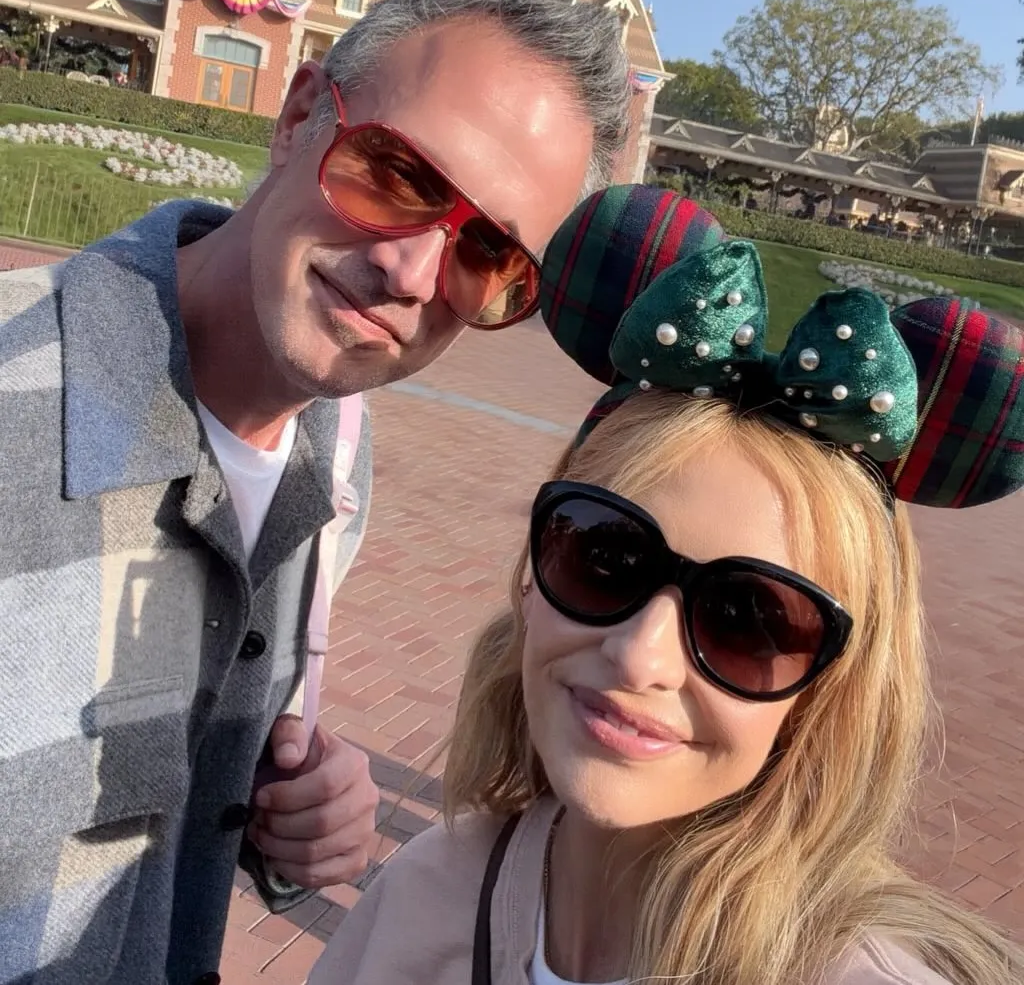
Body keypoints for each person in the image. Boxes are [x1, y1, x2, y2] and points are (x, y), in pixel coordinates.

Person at [0, 0, 631, 985]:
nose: (413, 273)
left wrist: (266, 809)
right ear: (298, 116)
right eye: (398, 175)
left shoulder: (336, 446)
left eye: (488, 253)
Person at [310, 184, 1024, 985]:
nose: (639, 655)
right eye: (604, 555)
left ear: (830, 694)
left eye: (750, 619)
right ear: (528, 577)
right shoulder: (427, 891)